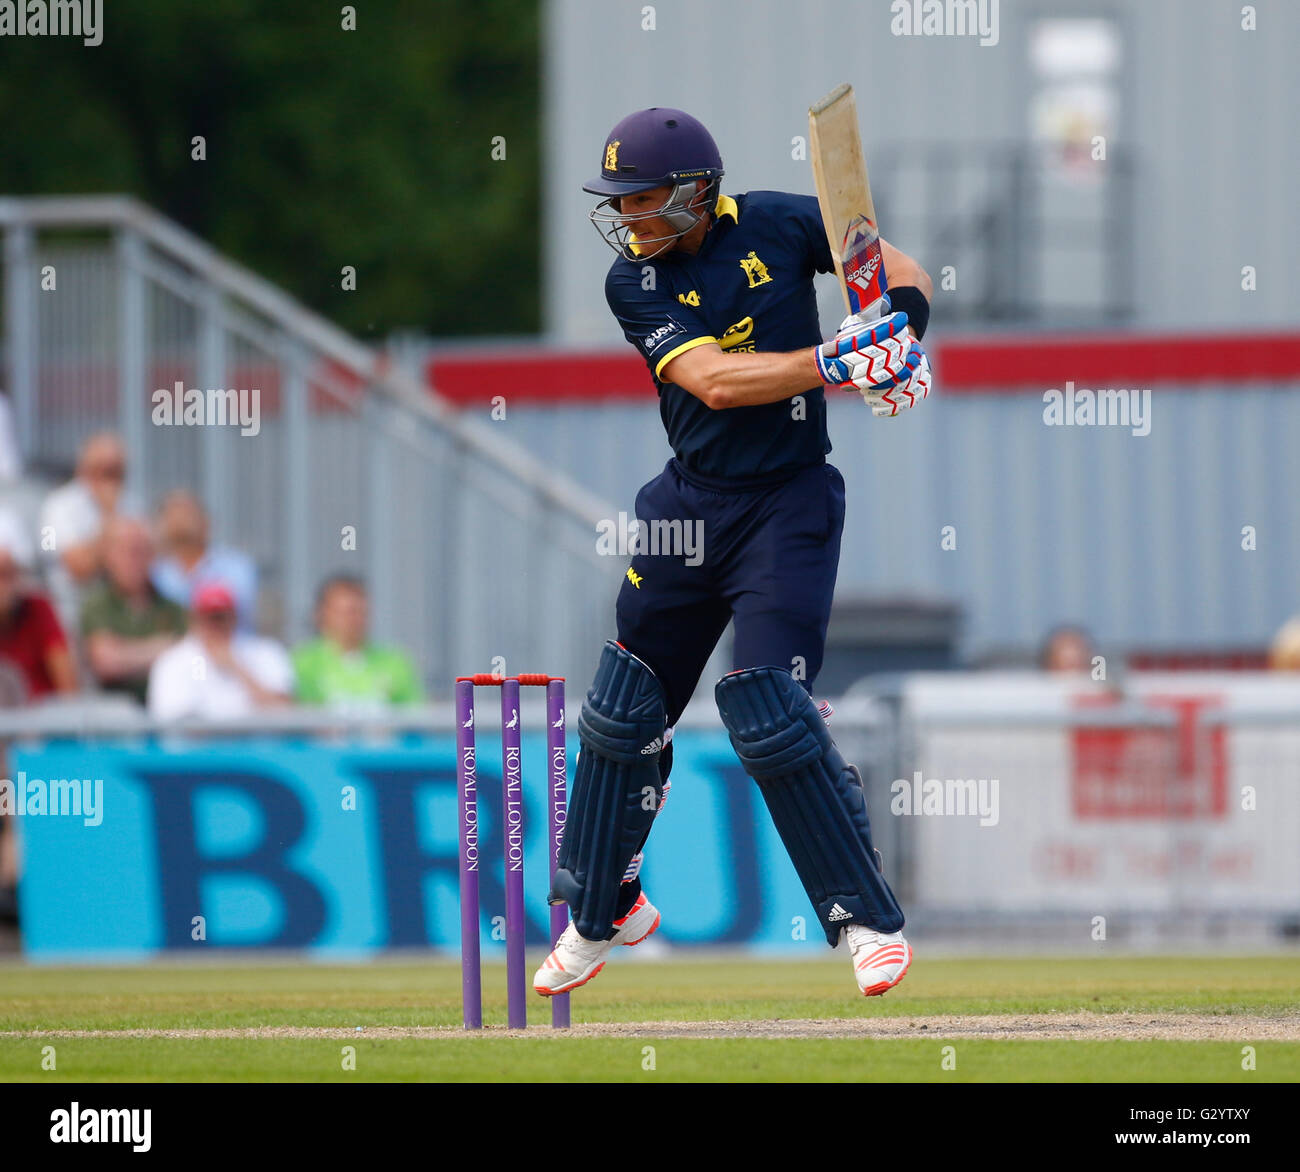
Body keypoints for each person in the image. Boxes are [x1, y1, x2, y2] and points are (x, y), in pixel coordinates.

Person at [534, 108, 932, 1002]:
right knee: (624, 706)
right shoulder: (631, 281)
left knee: (767, 707)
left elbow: (902, 274)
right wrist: (839, 361)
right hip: (689, 506)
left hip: (788, 503)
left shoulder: (786, 221)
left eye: (641, 200)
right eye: (618, 202)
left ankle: (864, 918)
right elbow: (713, 381)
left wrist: (900, 336)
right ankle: (601, 910)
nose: (627, 219)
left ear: (697, 192)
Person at [146, 581, 292, 721]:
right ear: (194, 619)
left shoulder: (264, 652)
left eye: (221, 617)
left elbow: (285, 713)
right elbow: (180, 722)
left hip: (256, 745)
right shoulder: (177, 661)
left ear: (234, 616)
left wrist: (237, 668)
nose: (216, 625)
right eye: (209, 618)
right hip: (201, 746)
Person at [80, 517, 187, 704]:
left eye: (142, 551)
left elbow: (188, 662)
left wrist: (126, 652)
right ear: (108, 556)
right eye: (126, 551)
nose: (134, 560)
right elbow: (107, 664)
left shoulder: (174, 609)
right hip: (113, 716)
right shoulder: (97, 605)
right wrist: (164, 648)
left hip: (166, 709)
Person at [38, 433, 136, 631]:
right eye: (104, 470)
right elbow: (78, 567)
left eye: (116, 471)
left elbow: (137, 571)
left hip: (121, 613)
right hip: (70, 612)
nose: (111, 479)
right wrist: (110, 519)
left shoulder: (133, 504)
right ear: (84, 469)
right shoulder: (58, 505)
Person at [293, 575, 423, 709]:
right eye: (347, 612)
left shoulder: (394, 661)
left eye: (361, 611)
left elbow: (415, 714)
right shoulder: (302, 663)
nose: (355, 619)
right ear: (322, 613)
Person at [151, 490, 259, 631]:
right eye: (172, 514)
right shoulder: (155, 571)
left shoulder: (236, 565)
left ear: (205, 521)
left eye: (186, 513)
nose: (179, 520)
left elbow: (228, 611)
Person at [0, 509, 78, 701]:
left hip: (42, 725)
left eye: (9, 573)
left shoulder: (39, 608)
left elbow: (69, 690)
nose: (5, 585)